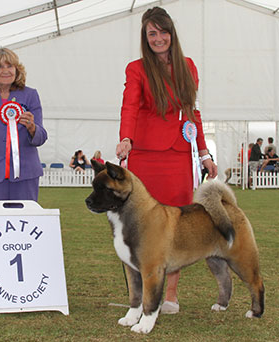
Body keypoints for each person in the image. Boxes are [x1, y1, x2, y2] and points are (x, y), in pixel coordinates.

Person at [115, 7, 217, 314]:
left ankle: (170, 294)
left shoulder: (188, 66)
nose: (158, 38)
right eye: (152, 34)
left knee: (175, 227)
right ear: (145, 39)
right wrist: (126, 138)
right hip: (145, 156)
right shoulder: (136, 69)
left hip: (179, 156)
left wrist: (203, 152)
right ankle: (142, 296)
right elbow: (129, 106)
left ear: (171, 33)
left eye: (163, 32)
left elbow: (192, 112)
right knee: (142, 226)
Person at [0, 48, 47, 207]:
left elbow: (41, 137)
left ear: (17, 70)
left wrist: (32, 128)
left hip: (26, 174)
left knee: (24, 224)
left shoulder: (30, 95)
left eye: (9, 66)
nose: (5, 71)